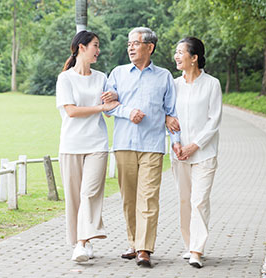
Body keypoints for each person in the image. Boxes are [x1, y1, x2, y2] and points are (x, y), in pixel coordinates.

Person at [104, 27, 177, 268]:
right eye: (129, 44)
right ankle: (134, 243)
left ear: (150, 47)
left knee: (148, 197)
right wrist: (127, 112)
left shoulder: (164, 76)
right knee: (129, 198)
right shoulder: (117, 73)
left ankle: (145, 249)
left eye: (135, 43)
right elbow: (108, 104)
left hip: (153, 145)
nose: (131, 48)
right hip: (124, 143)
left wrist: (171, 128)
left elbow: (172, 111)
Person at [55, 30, 119, 262]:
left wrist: (113, 99)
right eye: (95, 45)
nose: (98, 50)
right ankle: (81, 242)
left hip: (97, 144)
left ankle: (82, 243)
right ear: (81, 47)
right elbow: (71, 111)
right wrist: (100, 108)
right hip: (71, 145)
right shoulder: (65, 78)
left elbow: (110, 109)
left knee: (89, 193)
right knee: (74, 197)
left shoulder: (102, 77)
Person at [167, 37, 222, 269]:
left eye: (181, 52)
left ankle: (197, 250)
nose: (177, 57)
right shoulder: (174, 85)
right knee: (184, 201)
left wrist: (194, 145)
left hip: (204, 154)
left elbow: (214, 121)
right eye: (176, 52)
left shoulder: (212, 84)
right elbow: (170, 117)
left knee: (199, 201)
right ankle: (189, 245)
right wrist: (177, 143)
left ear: (194, 57)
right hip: (179, 154)